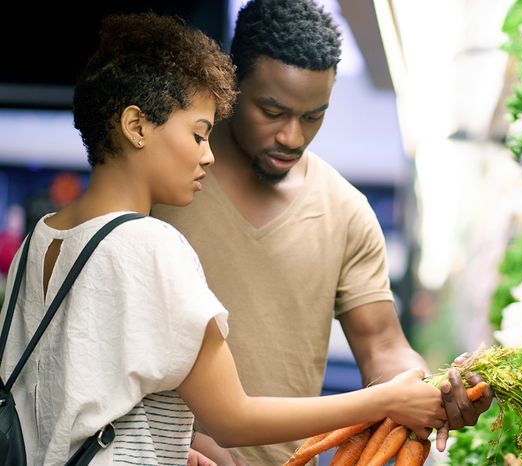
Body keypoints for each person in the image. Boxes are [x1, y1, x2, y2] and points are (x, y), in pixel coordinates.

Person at [0, 12, 445, 466]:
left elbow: (72, 388)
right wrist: (384, 401)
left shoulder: (40, 238)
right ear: (136, 127)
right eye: (198, 134)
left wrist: (170, 443)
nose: (207, 156)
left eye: (313, 116)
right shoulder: (152, 243)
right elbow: (233, 418)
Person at [152, 0, 494, 464]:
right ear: (230, 85)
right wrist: (181, 441)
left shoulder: (346, 210)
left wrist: (431, 389)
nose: (292, 136)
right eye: (272, 111)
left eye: (313, 116)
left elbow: (383, 346)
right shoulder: (162, 185)